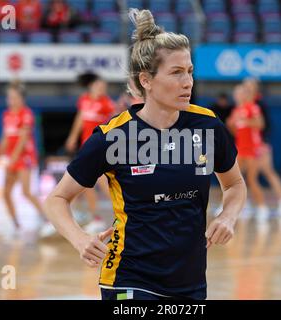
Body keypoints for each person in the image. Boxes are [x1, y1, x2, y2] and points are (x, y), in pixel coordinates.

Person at [44, 8, 246, 300]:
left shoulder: (207, 126)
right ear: (146, 80)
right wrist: (80, 239)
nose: (188, 82)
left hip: (190, 282)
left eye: (189, 71)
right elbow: (56, 199)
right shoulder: (114, 136)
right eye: (176, 73)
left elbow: (235, 185)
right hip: (129, 278)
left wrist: (227, 216)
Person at [64, 72, 115, 234]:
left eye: (104, 86)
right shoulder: (84, 100)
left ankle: (123, 213)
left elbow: (116, 124)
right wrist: (72, 137)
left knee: (105, 184)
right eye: (99, 85)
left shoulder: (107, 104)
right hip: (86, 150)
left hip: (101, 150)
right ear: (92, 86)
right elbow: (80, 119)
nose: (102, 88)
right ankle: (96, 218)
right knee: (87, 186)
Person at [0, 81, 46, 230]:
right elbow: (6, 136)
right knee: (6, 193)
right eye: (9, 97)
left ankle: (47, 218)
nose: (10, 101)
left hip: (25, 158)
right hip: (12, 158)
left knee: (26, 192)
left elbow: (23, 140)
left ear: (21, 98)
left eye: (14, 97)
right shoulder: (6, 114)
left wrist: (13, 160)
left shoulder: (26, 114)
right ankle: (16, 224)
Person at [243, 78, 281, 216]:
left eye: (250, 86)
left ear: (256, 89)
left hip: (260, 145)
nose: (246, 89)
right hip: (247, 146)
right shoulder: (246, 103)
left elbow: (265, 125)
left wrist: (263, 143)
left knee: (267, 172)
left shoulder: (259, 104)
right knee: (247, 175)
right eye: (245, 86)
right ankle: (244, 203)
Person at [227, 84, 269, 220]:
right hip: (240, 148)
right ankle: (241, 206)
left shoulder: (252, 107)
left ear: (245, 95)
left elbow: (261, 124)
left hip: (253, 148)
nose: (237, 96)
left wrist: (245, 121)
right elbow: (235, 132)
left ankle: (262, 208)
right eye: (236, 94)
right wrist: (231, 125)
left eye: (240, 93)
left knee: (252, 179)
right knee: (234, 179)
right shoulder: (236, 110)